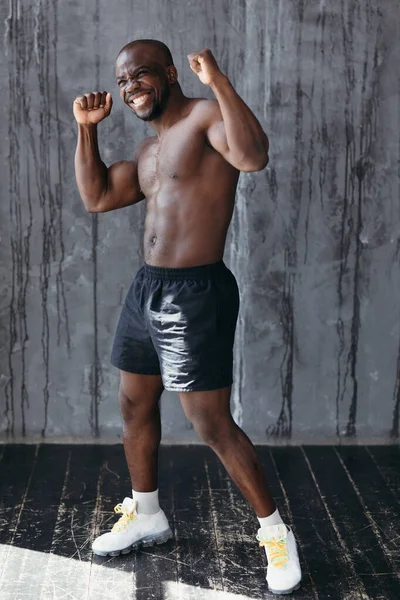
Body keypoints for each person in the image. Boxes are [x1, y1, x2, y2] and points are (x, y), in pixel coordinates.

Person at [73, 39, 301, 595]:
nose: (131, 88)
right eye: (124, 81)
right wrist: (87, 129)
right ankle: (147, 513)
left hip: (197, 291)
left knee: (209, 422)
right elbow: (98, 197)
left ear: (171, 74)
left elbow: (253, 156)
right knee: (133, 402)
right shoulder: (150, 153)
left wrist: (218, 79)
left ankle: (275, 533)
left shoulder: (203, 117)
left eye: (142, 75)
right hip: (148, 287)